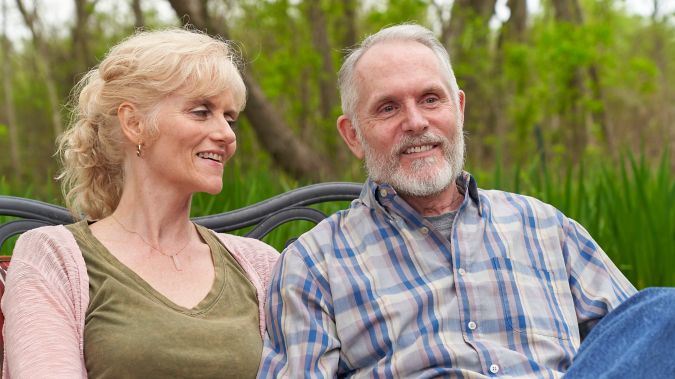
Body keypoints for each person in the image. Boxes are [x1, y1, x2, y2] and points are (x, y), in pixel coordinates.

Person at [258, 24, 675, 378]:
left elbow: (638, 338)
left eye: (430, 99)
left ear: (458, 109)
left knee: (664, 310)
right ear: (353, 135)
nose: (416, 122)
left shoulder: (546, 227)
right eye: (388, 108)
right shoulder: (314, 264)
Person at [2, 29, 279, 378]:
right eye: (201, 111)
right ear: (134, 123)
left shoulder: (261, 265)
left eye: (229, 117)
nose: (227, 134)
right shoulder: (52, 256)